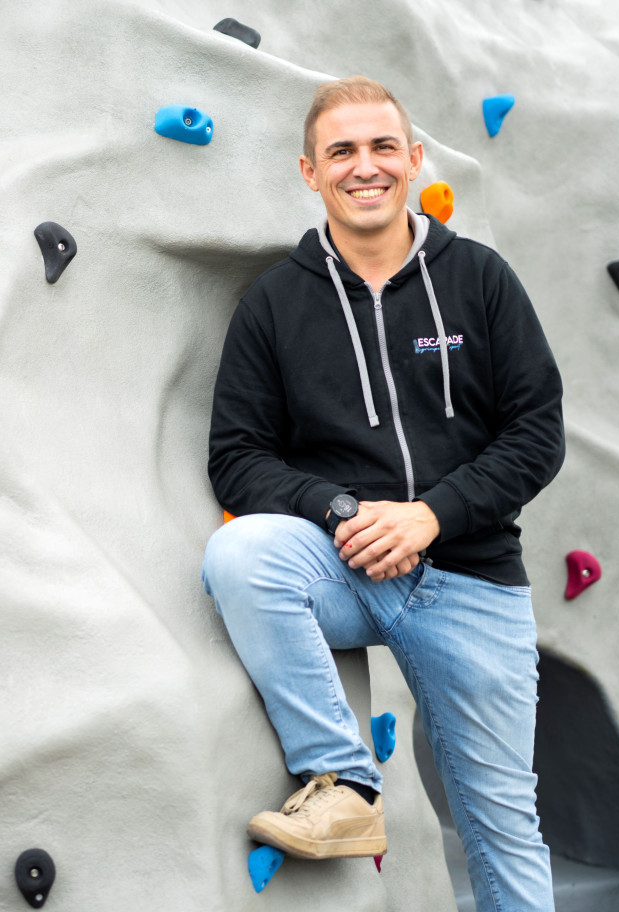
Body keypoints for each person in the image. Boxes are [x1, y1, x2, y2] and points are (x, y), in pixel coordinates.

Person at [201, 76, 564, 911]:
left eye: (380, 147)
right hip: (346, 566)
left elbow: (537, 435)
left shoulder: (479, 279)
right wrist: (341, 512)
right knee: (241, 553)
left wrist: (433, 514)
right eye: (342, 152)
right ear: (309, 171)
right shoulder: (273, 304)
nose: (363, 167)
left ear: (412, 159)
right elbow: (238, 457)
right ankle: (348, 787)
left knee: (505, 824)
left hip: (473, 579)